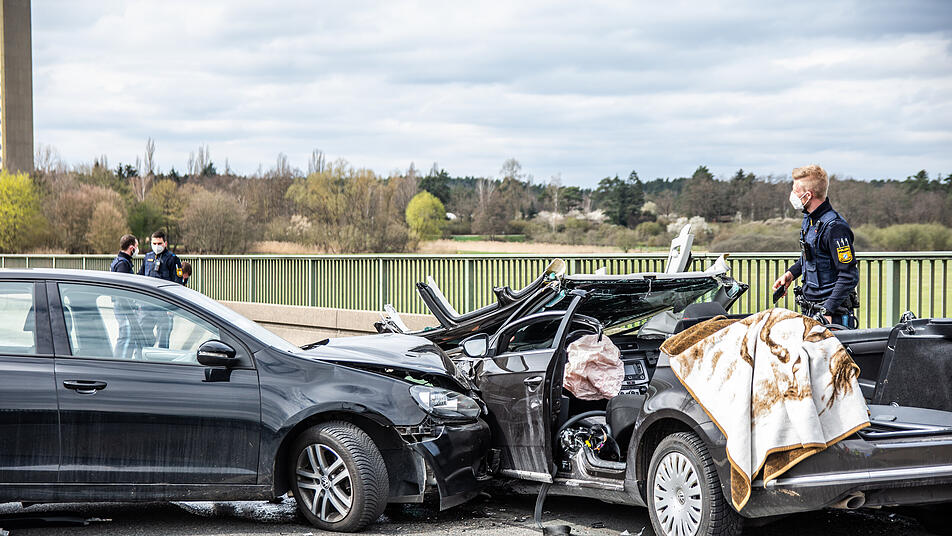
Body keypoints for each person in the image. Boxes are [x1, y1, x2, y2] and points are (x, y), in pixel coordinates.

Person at [772, 165, 859, 327]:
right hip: (811, 310)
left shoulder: (835, 227)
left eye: (796, 190)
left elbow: (849, 275)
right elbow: (811, 256)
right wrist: (790, 274)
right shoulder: (809, 219)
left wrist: (828, 311)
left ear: (808, 195)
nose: (792, 194)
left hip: (832, 316)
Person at [138, 230, 183, 347]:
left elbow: (178, 283)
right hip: (147, 306)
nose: (156, 246)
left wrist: (172, 306)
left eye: (159, 243)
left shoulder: (172, 259)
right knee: (142, 335)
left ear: (165, 243)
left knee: (163, 338)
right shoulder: (147, 257)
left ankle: (161, 357)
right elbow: (140, 277)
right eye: (154, 243)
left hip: (164, 307)